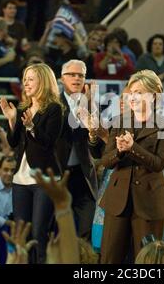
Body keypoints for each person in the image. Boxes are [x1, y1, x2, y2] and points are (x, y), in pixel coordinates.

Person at [99, 70, 164, 263]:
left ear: (154, 96)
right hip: (118, 201)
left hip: (150, 201)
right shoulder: (119, 121)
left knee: (148, 260)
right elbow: (106, 161)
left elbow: (159, 164)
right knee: (109, 257)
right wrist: (120, 152)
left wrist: (133, 148)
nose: (133, 97)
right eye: (131, 92)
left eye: (139, 92)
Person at [0, 62, 64, 264]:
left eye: (30, 79)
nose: (25, 83)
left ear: (43, 81)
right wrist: (12, 121)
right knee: (21, 232)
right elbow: (13, 143)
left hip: (44, 178)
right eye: (24, 79)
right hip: (21, 179)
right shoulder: (23, 108)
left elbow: (48, 142)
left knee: (38, 231)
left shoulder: (54, 109)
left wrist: (31, 126)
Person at [56, 60, 102, 240]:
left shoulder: (92, 105)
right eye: (72, 74)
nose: (77, 78)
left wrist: (89, 107)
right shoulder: (53, 103)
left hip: (84, 176)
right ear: (62, 79)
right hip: (59, 175)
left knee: (87, 231)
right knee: (59, 232)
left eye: (81, 75)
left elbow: (97, 148)